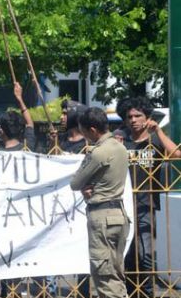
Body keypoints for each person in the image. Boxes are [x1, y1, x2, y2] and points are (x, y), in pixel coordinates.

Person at [118, 97, 181, 298]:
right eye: (130, 117)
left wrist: (159, 131)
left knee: (144, 253)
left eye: (138, 116)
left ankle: (145, 292)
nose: (134, 120)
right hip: (122, 204)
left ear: (147, 117)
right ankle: (130, 292)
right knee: (127, 252)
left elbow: (175, 154)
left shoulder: (155, 140)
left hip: (146, 204)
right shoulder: (121, 140)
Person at [70, 107, 130, 298]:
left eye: (84, 131)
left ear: (93, 130)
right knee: (115, 273)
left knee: (104, 276)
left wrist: (86, 186)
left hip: (101, 216)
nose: (84, 136)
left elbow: (76, 182)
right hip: (118, 214)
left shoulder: (98, 152)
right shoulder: (120, 147)